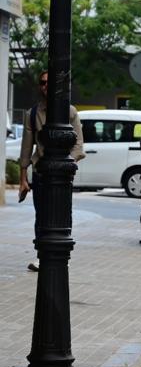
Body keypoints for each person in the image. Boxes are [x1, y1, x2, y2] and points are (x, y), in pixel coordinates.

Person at [19, 70, 86, 272]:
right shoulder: (32, 114)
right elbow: (26, 148)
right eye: (42, 83)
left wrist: (66, 165)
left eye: (49, 82)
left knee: (63, 214)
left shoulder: (70, 112)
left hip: (62, 174)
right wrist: (23, 179)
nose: (45, 86)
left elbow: (78, 145)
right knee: (42, 215)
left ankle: (62, 253)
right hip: (41, 172)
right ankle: (41, 255)